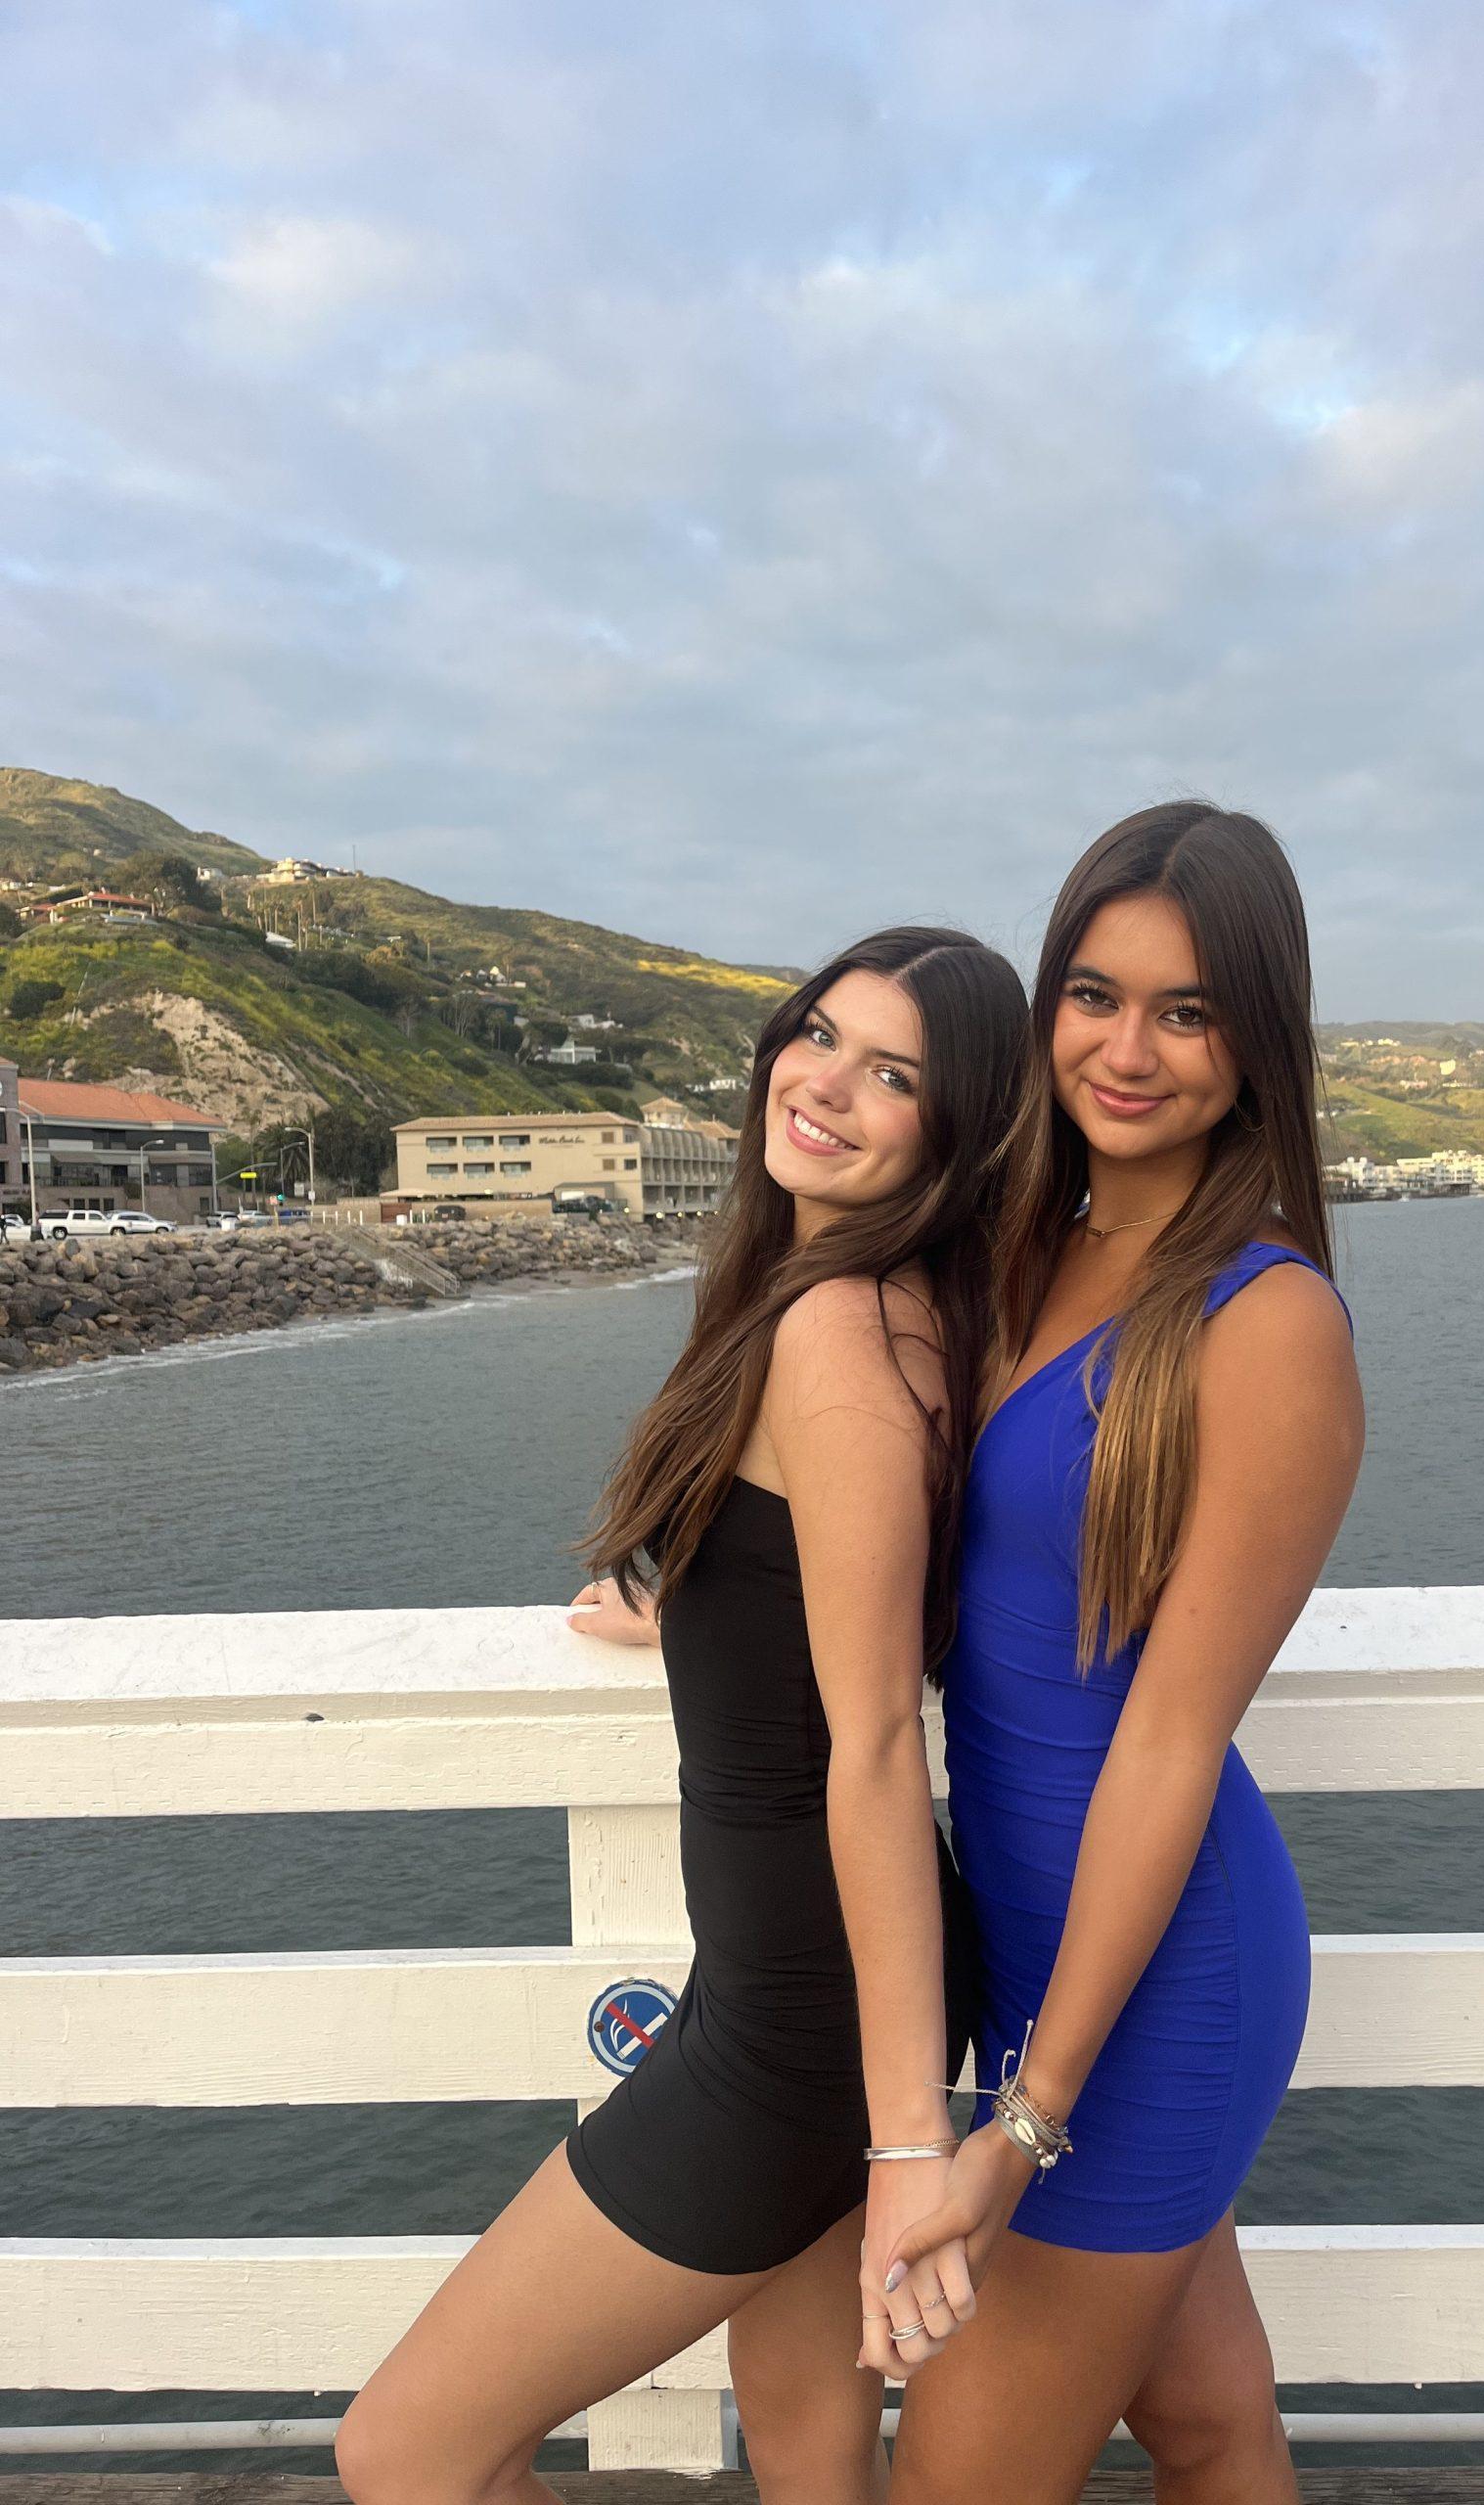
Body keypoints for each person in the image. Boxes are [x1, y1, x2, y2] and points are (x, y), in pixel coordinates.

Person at [336, 927, 1027, 2505]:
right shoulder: (898, 1311)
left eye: (896, 1074)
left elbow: (869, 1745)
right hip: (814, 1997)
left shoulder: (834, 1334)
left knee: (409, 2455)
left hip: (800, 2033)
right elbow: (848, 1610)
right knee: (803, 2442)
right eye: (820, 1035)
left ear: (957, 1129)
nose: (828, 1084)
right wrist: (698, 1620)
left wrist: (909, 2129)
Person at [884, 804, 1366, 2505]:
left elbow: (1167, 1743)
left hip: (1154, 1982)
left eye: (1189, 1011)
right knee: (1206, 2421)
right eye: (1096, 994)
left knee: (954, 2480)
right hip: (1042, 1946)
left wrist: (1026, 2116)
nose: (1129, 1047)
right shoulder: (1029, 1247)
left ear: (1256, 1048)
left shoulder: (1267, 1320)